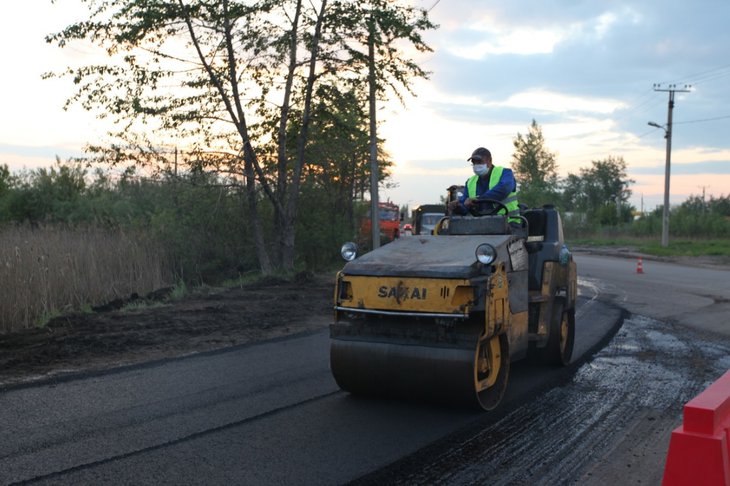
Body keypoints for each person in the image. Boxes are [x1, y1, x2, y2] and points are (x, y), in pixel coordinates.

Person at [447, 147, 522, 228]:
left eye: (479, 162)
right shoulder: (470, 182)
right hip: (482, 226)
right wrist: (457, 207)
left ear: (489, 161)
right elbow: (465, 205)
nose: (476, 165)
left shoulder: (505, 173)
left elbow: (503, 190)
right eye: (474, 163)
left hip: (509, 223)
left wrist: (479, 199)